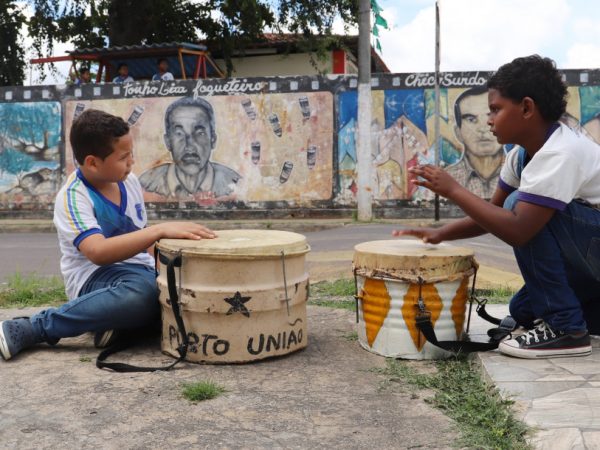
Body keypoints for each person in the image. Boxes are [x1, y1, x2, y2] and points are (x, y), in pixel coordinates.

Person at [394, 55, 600, 359]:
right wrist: (440, 234)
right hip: (590, 257)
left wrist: (453, 190)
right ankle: (579, 316)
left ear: (527, 108)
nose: (489, 120)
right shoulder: (521, 155)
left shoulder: (561, 152)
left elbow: (517, 229)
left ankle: (567, 329)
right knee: (522, 309)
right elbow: (492, 216)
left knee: (521, 207)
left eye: (495, 109)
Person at [0, 109, 216, 361]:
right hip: (96, 280)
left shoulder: (129, 182)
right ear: (92, 162)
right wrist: (157, 231)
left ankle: (116, 325)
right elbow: (98, 252)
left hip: (140, 272)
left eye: (131, 155)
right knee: (143, 296)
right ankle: (36, 327)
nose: (131, 162)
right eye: (124, 157)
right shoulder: (73, 196)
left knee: (185, 290)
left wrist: (171, 264)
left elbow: (139, 239)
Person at [139, 97, 241, 198]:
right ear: (168, 142)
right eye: (179, 133)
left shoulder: (236, 185)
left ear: (213, 139)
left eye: (199, 133)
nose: (190, 146)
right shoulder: (145, 186)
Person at [446, 86, 505, 199]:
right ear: (458, 132)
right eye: (471, 119)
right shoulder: (447, 180)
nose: (483, 128)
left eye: (491, 116)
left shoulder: (521, 174)